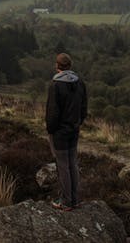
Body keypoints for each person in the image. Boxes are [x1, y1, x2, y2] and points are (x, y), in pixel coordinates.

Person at [46, 53, 87, 211]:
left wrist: (51, 130)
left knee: (62, 165)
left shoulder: (55, 85)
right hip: (74, 129)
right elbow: (84, 107)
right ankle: (75, 199)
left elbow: (52, 112)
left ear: (57, 66)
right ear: (70, 65)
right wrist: (78, 122)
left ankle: (66, 202)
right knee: (72, 163)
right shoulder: (80, 82)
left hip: (60, 132)